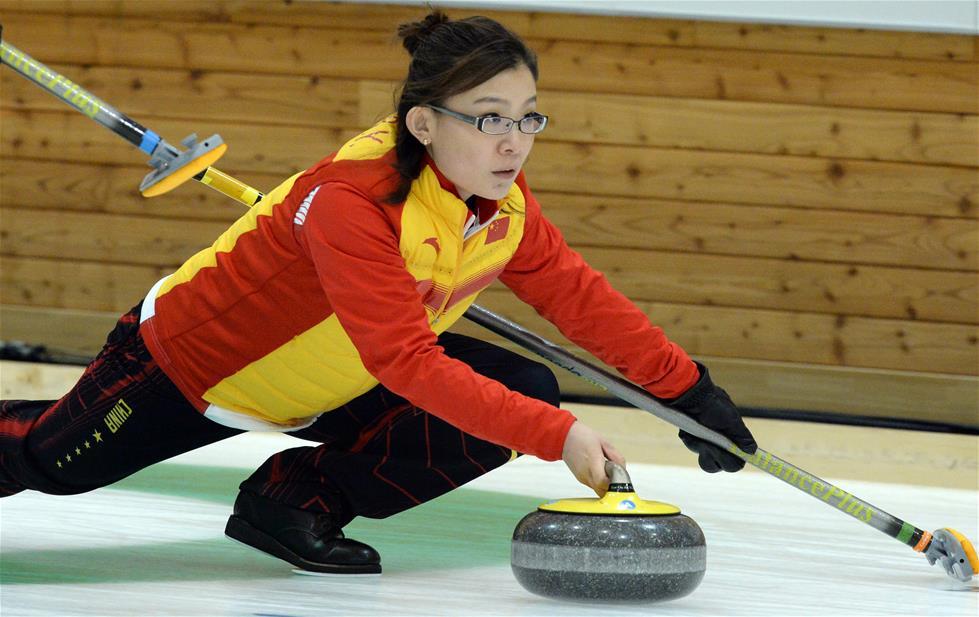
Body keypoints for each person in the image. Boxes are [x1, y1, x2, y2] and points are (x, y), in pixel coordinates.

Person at [0, 11, 756, 575]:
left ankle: (293, 501)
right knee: (51, 467)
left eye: (527, 117)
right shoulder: (351, 204)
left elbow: (577, 298)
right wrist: (558, 439)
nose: (513, 141)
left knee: (520, 385)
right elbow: (406, 361)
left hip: (334, 377)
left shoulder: (500, 201)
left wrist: (688, 390)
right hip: (192, 371)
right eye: (489, 119)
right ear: (423, 122)